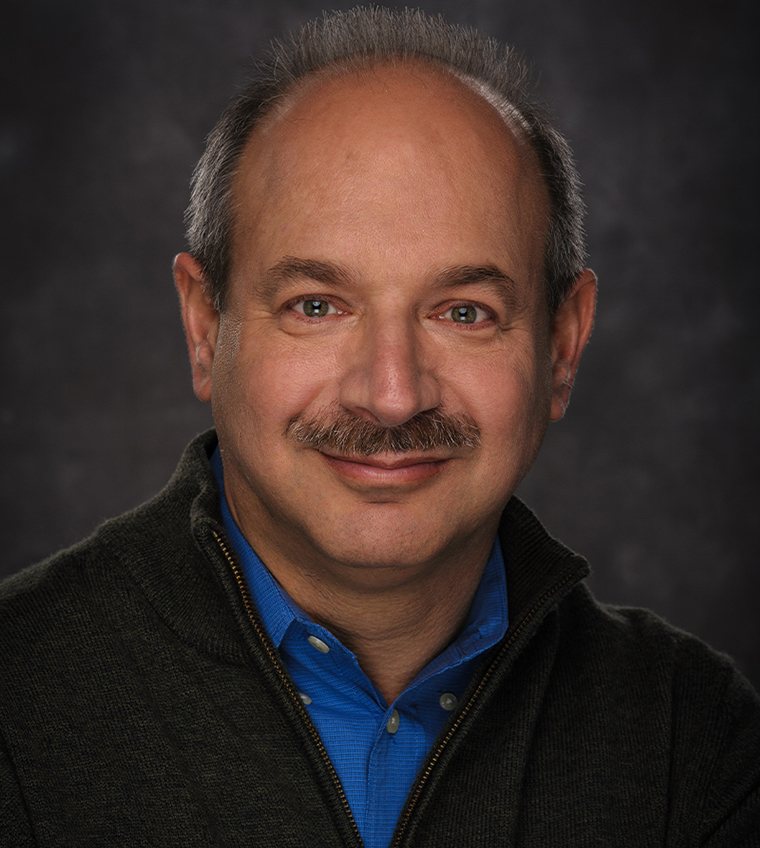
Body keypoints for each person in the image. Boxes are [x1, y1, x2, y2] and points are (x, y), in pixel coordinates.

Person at [1, 6, 758, 846]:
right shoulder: (14, 703)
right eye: (316, 306)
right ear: (205, 328)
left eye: (464, 312)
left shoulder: (690, 739)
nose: (393, 397)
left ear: (563, 346)